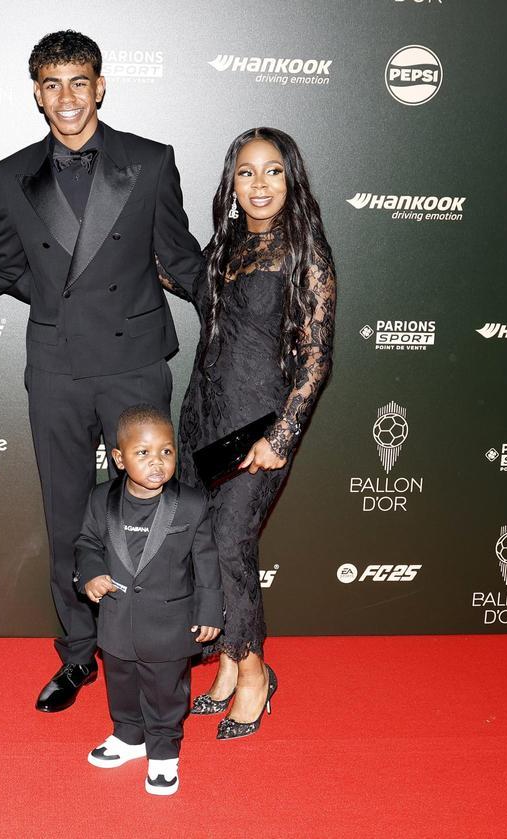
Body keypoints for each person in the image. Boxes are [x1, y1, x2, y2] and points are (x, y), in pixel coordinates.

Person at [0, 30, 205, 712]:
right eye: (52, 85)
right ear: (36, 94)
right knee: (65, 515)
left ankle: (152, 642)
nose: (67, 98)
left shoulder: (149, 160)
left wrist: (247, 302)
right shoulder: (10, 174)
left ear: (101, 86)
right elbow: (1, 264)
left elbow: (180, 254)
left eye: (79, 82)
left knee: (147, 514)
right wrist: (55, 299)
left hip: (133, 364)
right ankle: (79, 652)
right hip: (56, 366)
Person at [165, 127, 336, 739]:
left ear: (292, 180)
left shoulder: (305, 253)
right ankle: (230, 664)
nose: (259, 185)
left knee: (234, 543)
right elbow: (194, 290)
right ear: (231, 183)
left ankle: (256, 675)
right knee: (206, 546)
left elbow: (317, 359)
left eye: (272, 172)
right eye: (246, 172)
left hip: (259, 423)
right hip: (204, 415)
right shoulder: (227, 243)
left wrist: (283, 437)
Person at [76, 405, 222, 795]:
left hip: (170, 625)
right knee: (120, 683)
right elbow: (87, 543)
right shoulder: (100, 499)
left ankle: (163, 753)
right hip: (117, 621)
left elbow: (206, 561)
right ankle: (128, 738)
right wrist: (90, 573)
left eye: (166, 451)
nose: (157, 462)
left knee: (165, 692)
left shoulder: (191, 504)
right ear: (119, 459)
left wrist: (209, 611)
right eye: (143, 453)